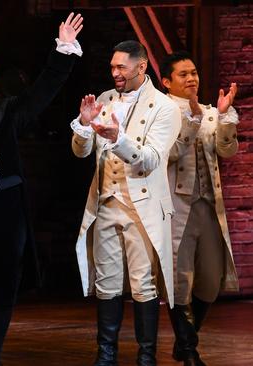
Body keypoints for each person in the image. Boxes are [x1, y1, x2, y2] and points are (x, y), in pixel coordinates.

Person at [0, 12, 83, 364]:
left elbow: (43, 91)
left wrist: (62, 51)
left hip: (6, 204)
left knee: (6, 277)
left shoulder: (6, 110)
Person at [69, 41, 181, 365]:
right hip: (105, 202)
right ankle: (106, 355)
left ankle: (146, 357)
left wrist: (118, 139)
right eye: (113, 67)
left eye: (122, 67)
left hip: (141, 206)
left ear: (141, 66)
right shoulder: (105, 99)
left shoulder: (164, 107)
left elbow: (150, 159)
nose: (115, 73)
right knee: (106, 283)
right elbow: (80, 152)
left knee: (143, 284)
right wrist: (83, 125)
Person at [160, 51, 239, 366]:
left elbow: (226, 151)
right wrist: (191, 120)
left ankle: (185, 340)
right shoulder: (161, 114)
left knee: (210, 280)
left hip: (208, 205)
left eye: (194, 72)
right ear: (167, 81)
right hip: (177, 207)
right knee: (180, 279)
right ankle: (189, 349)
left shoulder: (209, 112)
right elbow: (170, 154)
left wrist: (224, 119)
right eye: (183, 74)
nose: (192, 78)